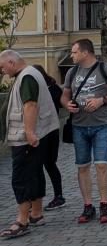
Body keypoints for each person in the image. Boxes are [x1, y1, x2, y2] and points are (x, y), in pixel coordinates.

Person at [59, 40, 107, 224]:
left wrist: (102, 100)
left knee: (101, 165)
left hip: (101, 124)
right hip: (79, 125)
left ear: (85, 53)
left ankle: (104, 203)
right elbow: (64, 96)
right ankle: (88, 206)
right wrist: (67, 104)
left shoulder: (106, 69)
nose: (71, 55)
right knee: (82, 167)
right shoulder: (72, 72)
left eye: (74, 52)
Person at [0, 50, 60, 239]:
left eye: (2, 67)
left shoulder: (26, 77)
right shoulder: (31, 72)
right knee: (34, 173)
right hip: (38, 133)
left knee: (21, 177)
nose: (3, 71)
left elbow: (30, 105)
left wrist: (29, 132)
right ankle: (36, 214)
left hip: (25, 137)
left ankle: (22, 220)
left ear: (11, 62)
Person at [33, 64, 66, 208]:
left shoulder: (42, 90)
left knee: (40, 166)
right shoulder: (54, 88)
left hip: (43, 132)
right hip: (53, 131)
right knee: (50, 164)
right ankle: (58, 196)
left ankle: (36, 201)